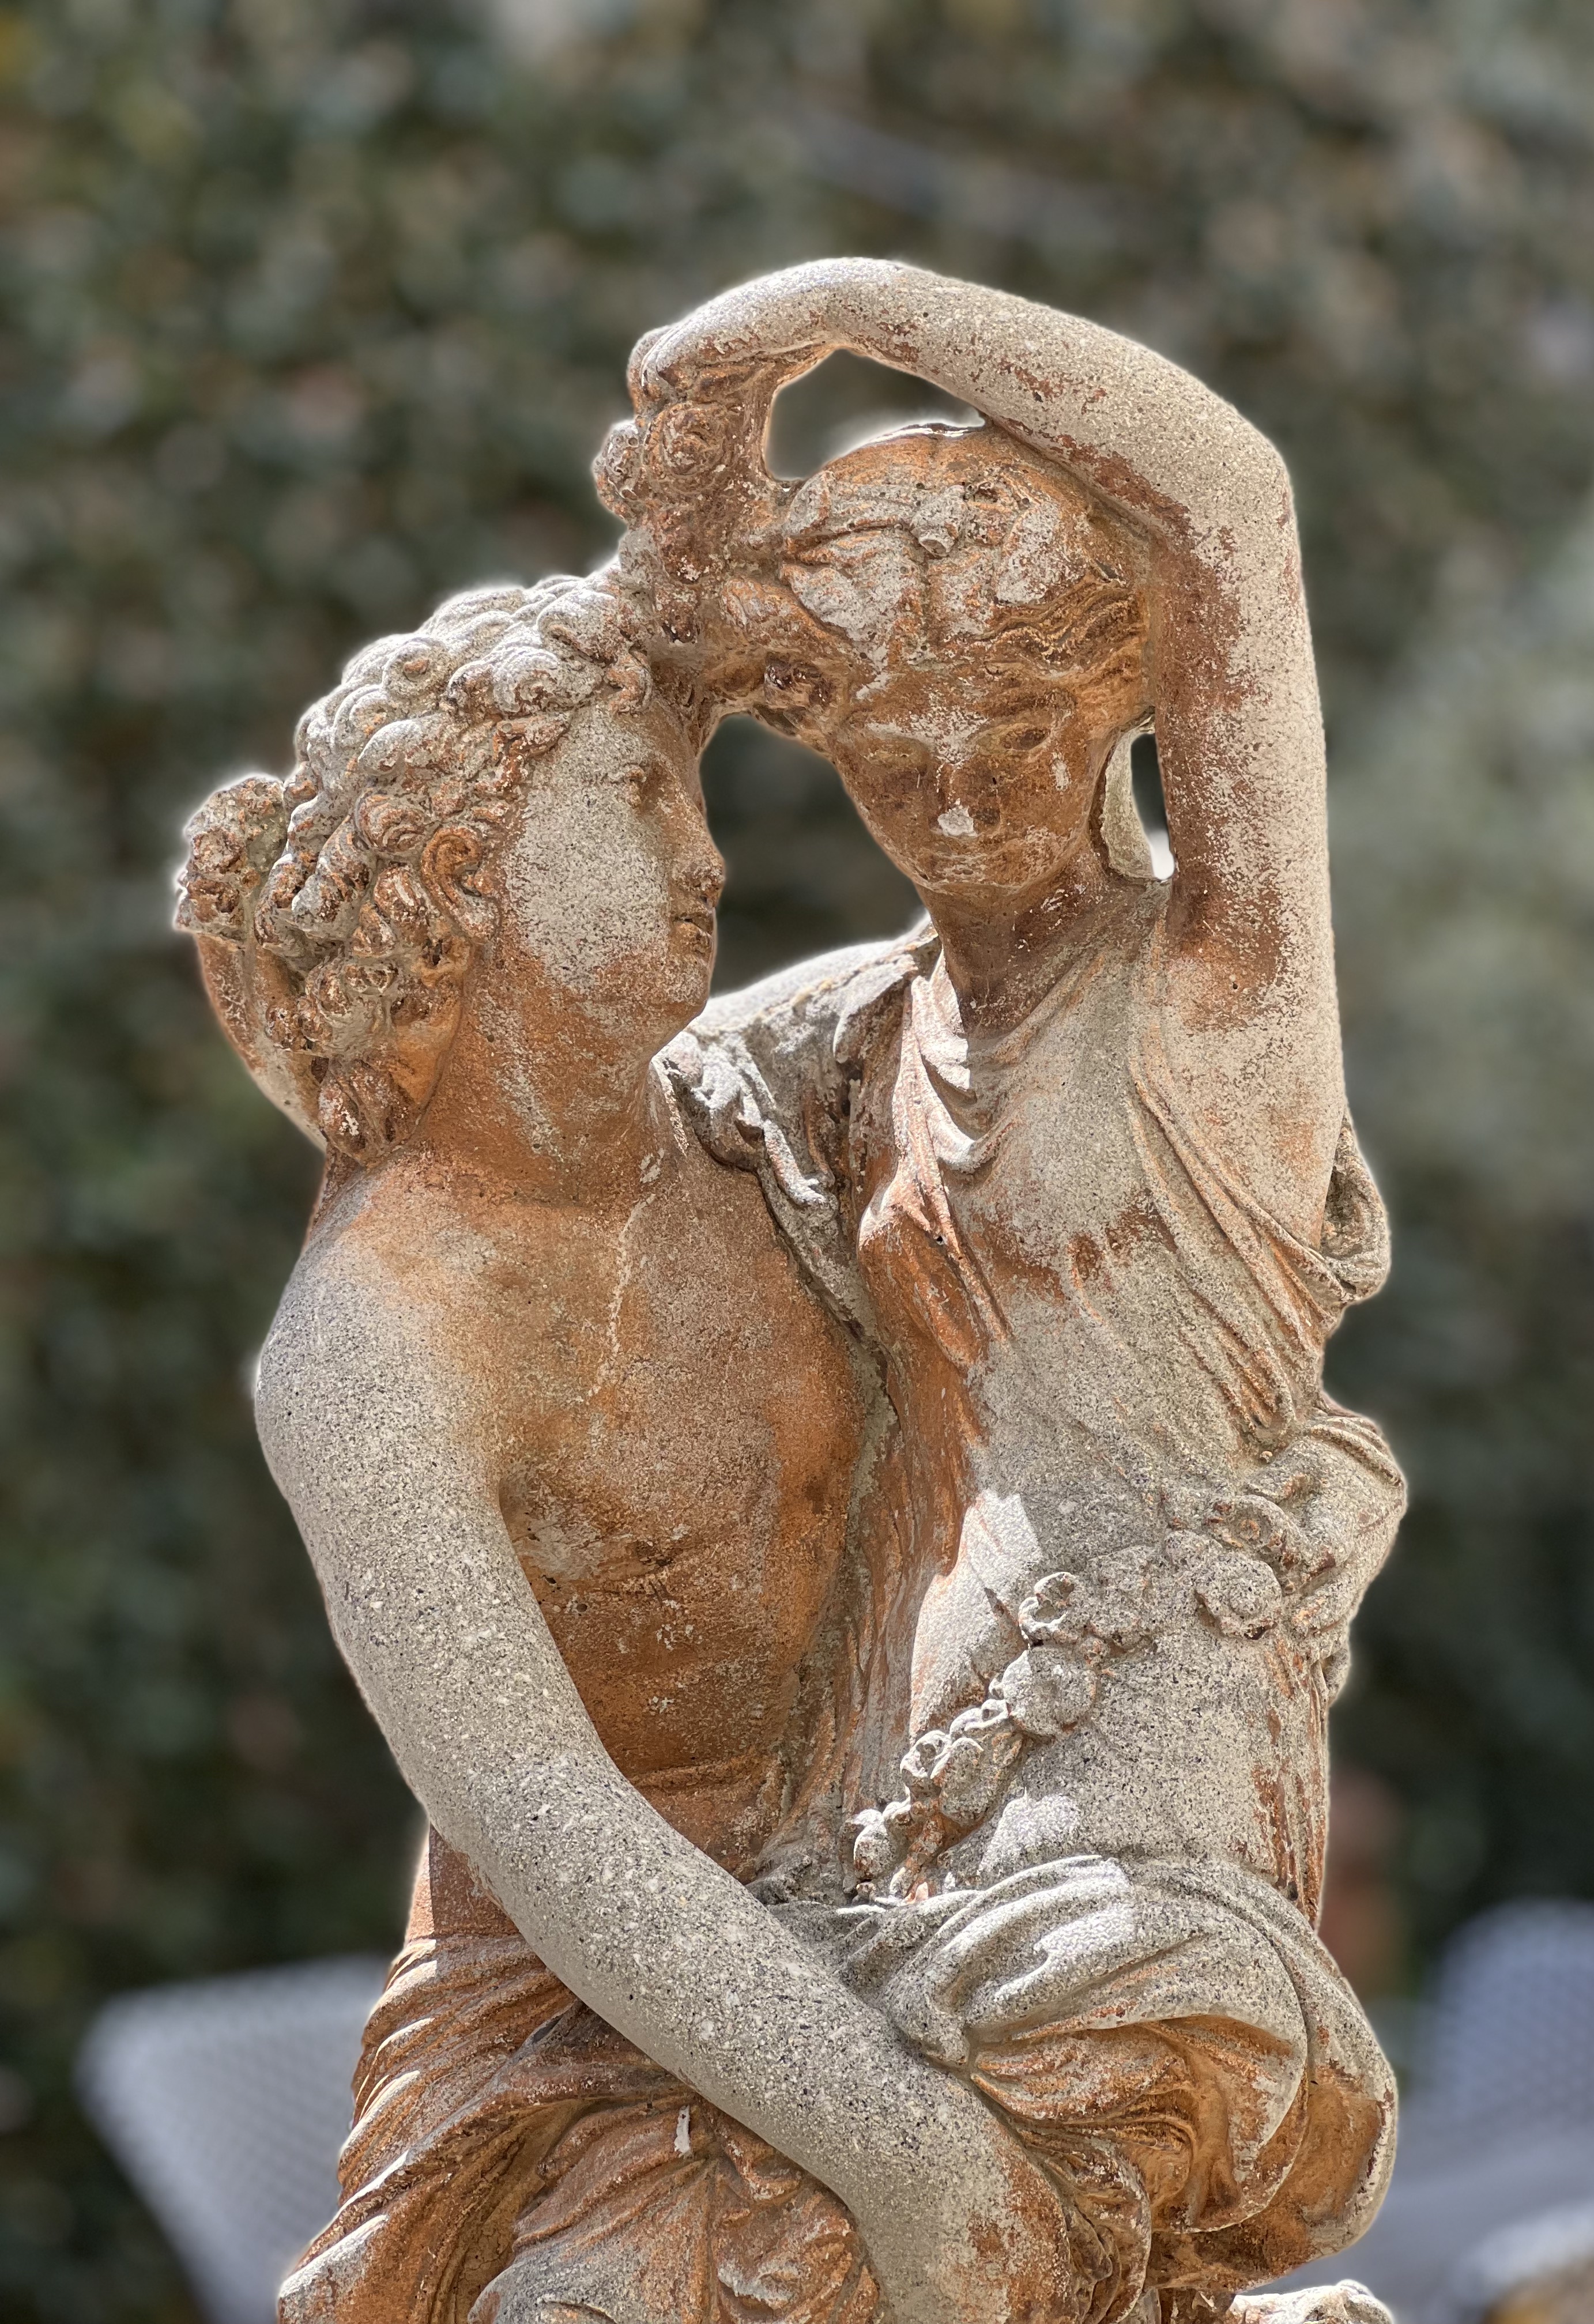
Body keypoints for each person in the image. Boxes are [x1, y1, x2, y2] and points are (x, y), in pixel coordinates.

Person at [599, 259, 1407, 2315]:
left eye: (1020, 743)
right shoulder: (848, 1042)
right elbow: (572, 943)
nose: (959, 807)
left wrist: (841, 305)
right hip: (886, 1790)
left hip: (1137, 1811)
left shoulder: (1223, 1000)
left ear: (1118, 706)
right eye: (894, 765)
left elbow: (1228, 505)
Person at [175, 570, 1076, 2324]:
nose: (703, 859)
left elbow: (1063, 980)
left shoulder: (775, 1103)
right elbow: (549, 1825)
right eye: (634, 800)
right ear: (460, 874)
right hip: (600, 2028)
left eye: (695, 796)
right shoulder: (376, 1347)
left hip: (933, 1873)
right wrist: (901, 2149)